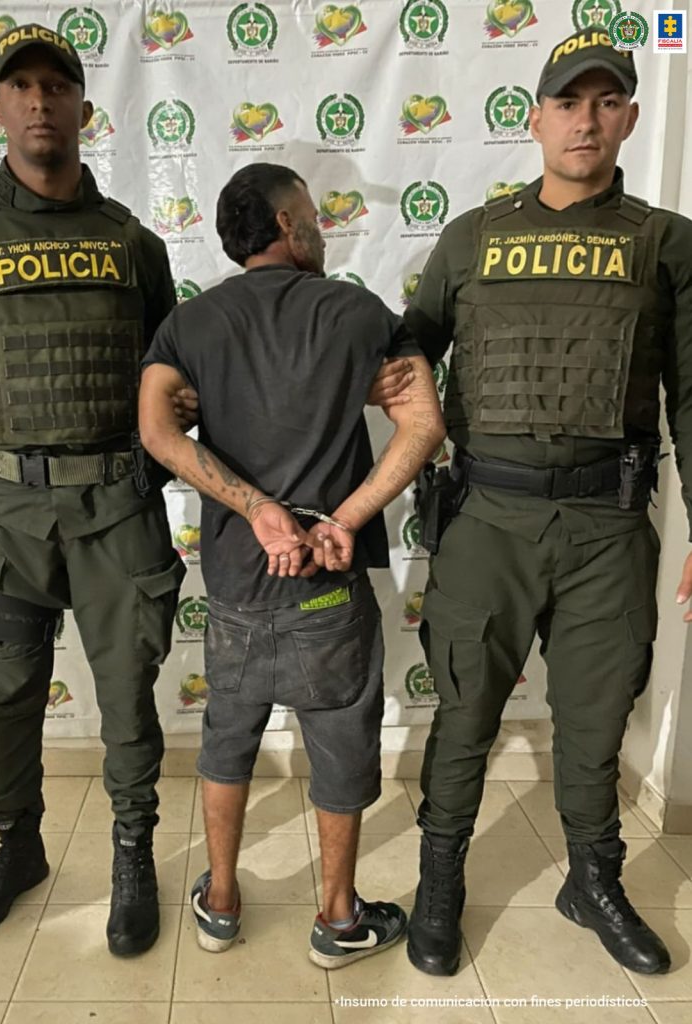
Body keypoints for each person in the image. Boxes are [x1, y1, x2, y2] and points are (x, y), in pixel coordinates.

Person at [403, 27, 692, 978]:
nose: (587, 120)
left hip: (609, 524)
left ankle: (594, 879)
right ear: (534, 118)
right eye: (569, 101)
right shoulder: (473, 238)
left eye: (608, 102)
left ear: (631, 120)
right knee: (466, 714)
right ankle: (439, 880)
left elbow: (690, 394)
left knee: (596, 717)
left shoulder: (666, 243)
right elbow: (405, 355)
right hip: (489, 517)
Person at [0, 24, 192, 956]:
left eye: (55, 86)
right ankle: (17, 850)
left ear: (81, 109)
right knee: (13, 690)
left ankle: (132, 857)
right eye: (19, 86)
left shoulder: (131, 243)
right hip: (10, 514)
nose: (38, 101)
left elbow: (168, 368)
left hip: (117, 504)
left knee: (127, 694)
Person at [138, 162, 445, 969]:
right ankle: (338, 920)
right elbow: (424, 424)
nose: (321, 226)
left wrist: (253, 508)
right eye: (311, 213)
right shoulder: (357, 312)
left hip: (237, 584)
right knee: (341, 744)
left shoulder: (190, 324)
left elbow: (159, 433)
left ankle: (223, 903)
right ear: (284, 224)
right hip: (326, 587)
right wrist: (342, 517)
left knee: (225, 738)